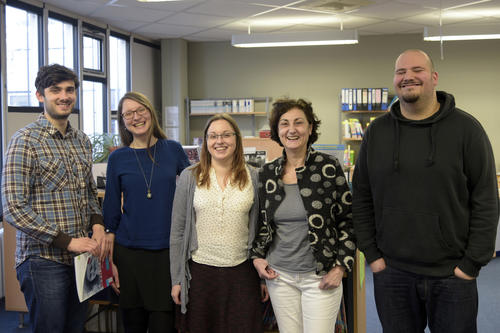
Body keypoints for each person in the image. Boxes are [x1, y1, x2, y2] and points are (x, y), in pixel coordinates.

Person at [352, 49, 499, 333]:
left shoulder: (467, 130)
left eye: (416, 70)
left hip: (453, 275)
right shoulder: (377, 132)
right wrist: (373, 255)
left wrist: (470, 265)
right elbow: (361, 196)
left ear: (433, 78)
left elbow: (485, 200)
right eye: (400, 72)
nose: (408, 77)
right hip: (392, 273)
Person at [1, 64, 106, 333]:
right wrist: (67, 241)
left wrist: (96, 224)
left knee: (76, 328)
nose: (64, 96)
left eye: (69, 90)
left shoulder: (81, 140)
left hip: (82, 259)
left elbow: (88, 192)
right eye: (55, 90)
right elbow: (13, 207)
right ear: (40, 96)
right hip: (42, 261)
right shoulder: (24, 140)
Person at [250, 98, 356, 333]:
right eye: (284, 124)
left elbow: (348, 221)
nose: (292, 129)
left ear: (310, 128)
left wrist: (341, 267)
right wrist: (257, 257)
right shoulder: (267, 173)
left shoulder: (329, 167)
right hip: (280, 277)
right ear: (278, 131)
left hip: (319, 276)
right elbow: (261, 223)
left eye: (299, 123)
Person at [170, 113, 267, 333]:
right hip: (200, 274)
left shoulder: (254, 176)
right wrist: (177, 280)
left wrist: (262, 280)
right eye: (213, 136)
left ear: (237, 139)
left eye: (226, 135)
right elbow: (177, 232)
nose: (219, 141)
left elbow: (262, 229)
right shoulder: (189, 177)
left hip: (242, 273)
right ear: (206, 141)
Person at [102, 91, 190, 333]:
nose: (136, 117)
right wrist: (111, 262)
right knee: (133, 326)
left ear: (151, 113)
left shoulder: (172, 149)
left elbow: (196, 188)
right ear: (123, 121)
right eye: (128, 113)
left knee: (164, 325)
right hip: (128, 253)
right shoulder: (118, 158)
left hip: (166, 253)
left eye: (141, 110)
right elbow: (110, 209)